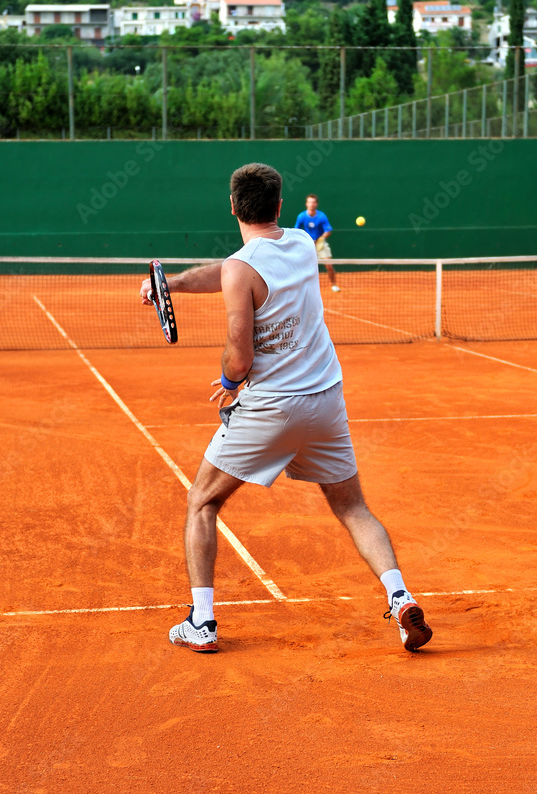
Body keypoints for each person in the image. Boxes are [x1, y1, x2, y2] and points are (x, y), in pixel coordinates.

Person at [139, 163, 432, 655]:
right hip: (326, 402)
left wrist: (232, 381)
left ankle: (202, 623)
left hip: (271, 408)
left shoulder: (239, 268)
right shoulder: (299, 242)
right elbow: (233, 271)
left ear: (232, 207)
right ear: (279, 206)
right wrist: (176, 285)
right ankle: (400, 598)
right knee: (353, 506)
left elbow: (240, 349)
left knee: (203, 502)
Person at [294, 194, 339, 293]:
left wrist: (321, 239)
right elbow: (297, 230)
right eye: (309, 202)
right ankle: (301, 287)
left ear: (316, 204)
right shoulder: (301, 216)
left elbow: (328, 231)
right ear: (306, 204)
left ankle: (334, 285)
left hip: (320, 244)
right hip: (307, 244)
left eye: (313, 202)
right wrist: (306, 240)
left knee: (329, 265)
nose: (311, 204)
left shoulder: (322, 216)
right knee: (301, 266)